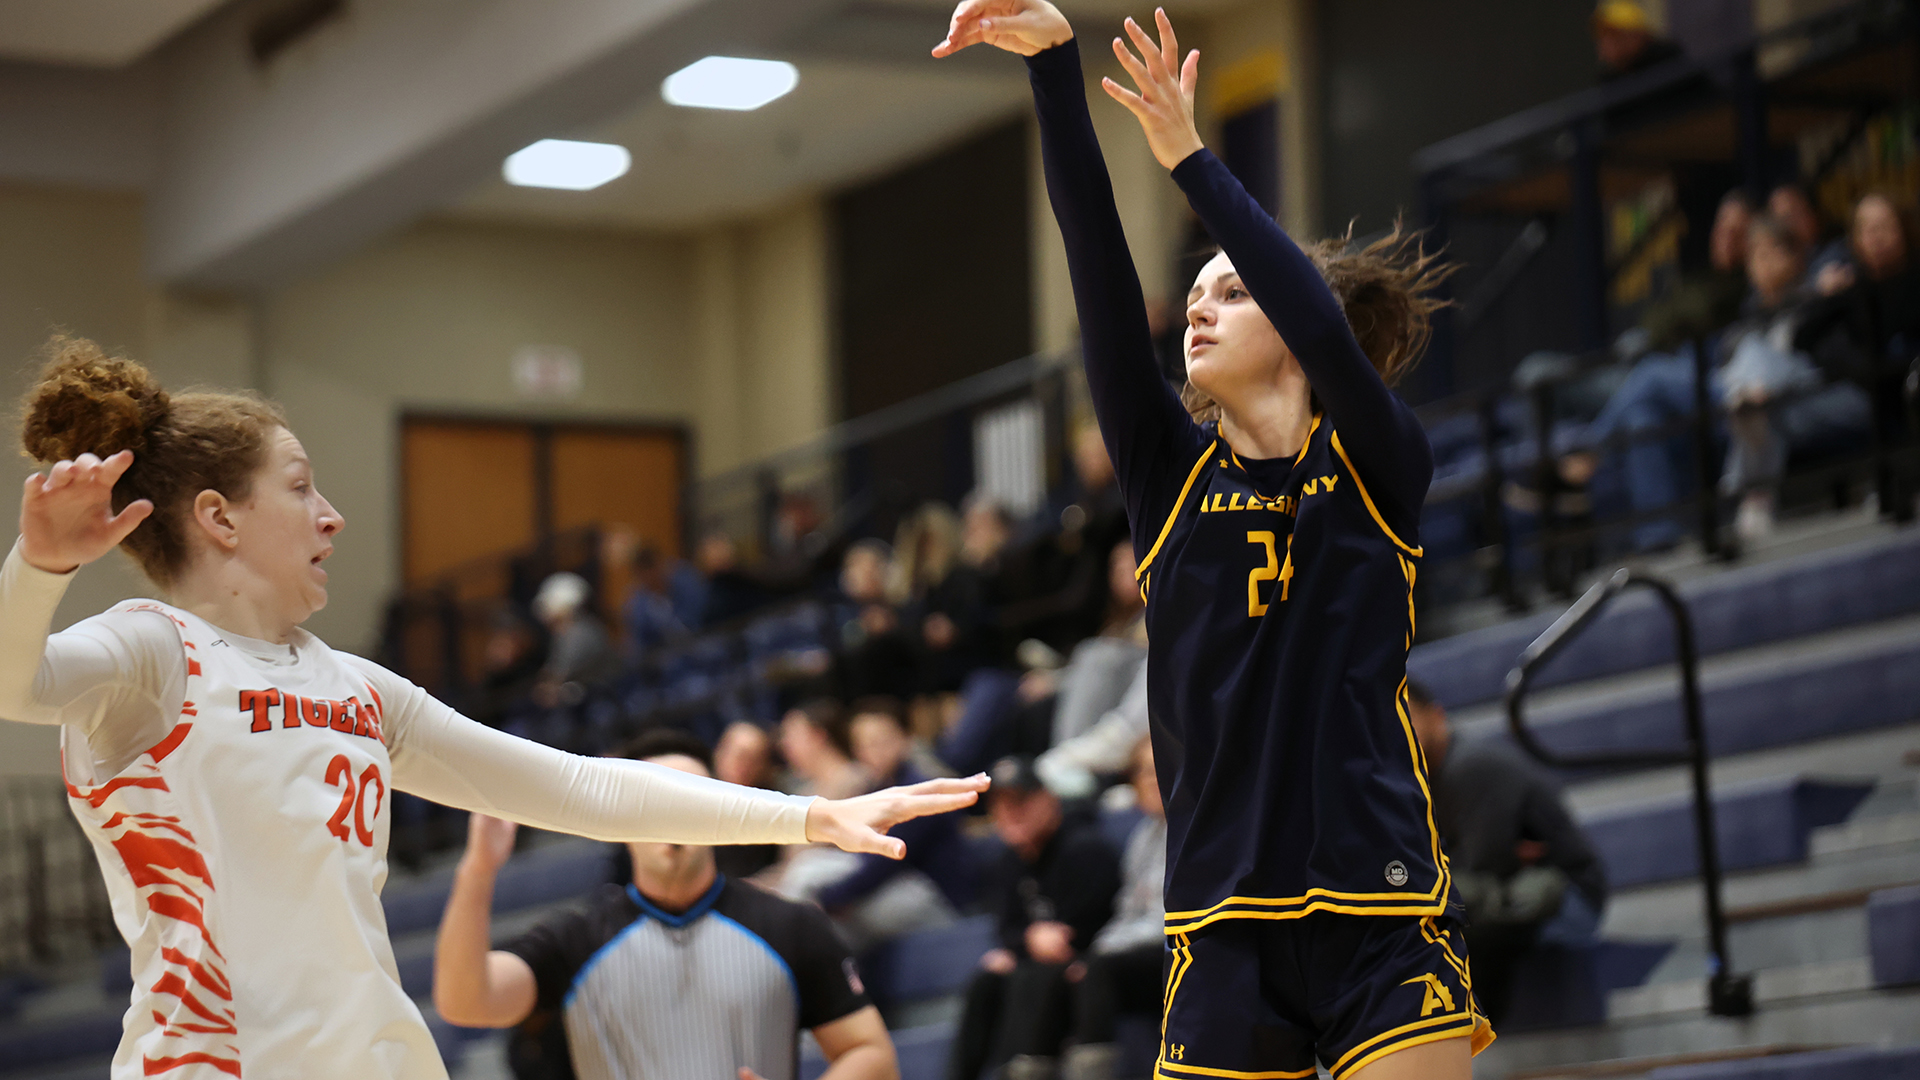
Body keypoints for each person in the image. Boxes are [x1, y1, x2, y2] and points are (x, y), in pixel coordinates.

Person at [0, 337, 987, 1080]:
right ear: (219, 517)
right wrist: (41, 565)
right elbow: (15, 685)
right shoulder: (150, 652)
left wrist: (808, 815)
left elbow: (577, 787)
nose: (332, 515)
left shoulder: (358, 687)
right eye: (300, 488)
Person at [936, 6, 1492, 1079]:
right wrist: (1055, 69)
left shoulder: (1378, 459)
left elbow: (1328, 331)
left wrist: (1190, 158)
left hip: (1377, 904)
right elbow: (1096, 268)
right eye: (1193, 296)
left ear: (1289, 322)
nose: (1197, 311)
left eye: (1232, 291)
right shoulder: (1166, 475)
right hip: (1221, 921)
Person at [434, 728, 898, 1080]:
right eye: (656, 801)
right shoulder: (574, 940)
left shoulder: (791, 925)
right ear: (619, 820)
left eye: (689, 800)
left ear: (722, 811)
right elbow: (466, 1002)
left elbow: (872, 1054)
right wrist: (478, 869)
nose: (674, 819)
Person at [1405, 683, 1606, 1028]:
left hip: (1567, 901)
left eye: (1405, 716)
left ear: (1437, 717)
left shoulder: (1471, 766)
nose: (1399, 732)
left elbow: (1477, 874)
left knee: (1440, 910)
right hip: (1512, 896)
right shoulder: (1423, 780)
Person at [947, 756, 1120, 1080]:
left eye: (1020, 802)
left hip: (1089, 965)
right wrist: (1028, 940)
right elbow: (1007, 929)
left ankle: (1023, 1070)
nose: (1009, 814)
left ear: (1048, 799)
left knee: (1032, 975)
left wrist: (1031, 944)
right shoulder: (1009, 862)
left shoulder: (1086, 848)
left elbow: (1091, 925)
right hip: (1041, 965)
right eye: (1000, 805)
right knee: (987, 979)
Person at [815, 697, 981, 949]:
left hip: (940, 903)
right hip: (902, 891)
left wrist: (827, 898)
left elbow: (883, 863)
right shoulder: (874, 788)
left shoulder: (920, 790)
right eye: (864, 745)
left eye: (882, 740)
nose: (873, 751)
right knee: (812, 872)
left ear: (905, 739)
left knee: (830, 911)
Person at [1062, 737, 1168, 1080]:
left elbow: (1165, 921)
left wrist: (1102, 957)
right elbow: (1126, 912)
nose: (1152, 780)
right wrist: (1097, 952)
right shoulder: (1143, 836)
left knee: (1102, 970)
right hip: (1148, 952)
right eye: (1143, 772)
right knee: (1065, 974)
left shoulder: (1197, 830)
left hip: (1188, 948)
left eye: (1159, 770)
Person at [713, 720, 784, 879]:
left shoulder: (775, 806)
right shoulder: (700, 799)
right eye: (741, 756)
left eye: (755, 759)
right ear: (720, 753)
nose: (745, 766)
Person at [1593, 0, 1683, 80]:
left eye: (1615, 36)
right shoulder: (1610, 81)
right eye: (1603, 38)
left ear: (1637, 35)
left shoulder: (1668, 61)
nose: (1606, 45)